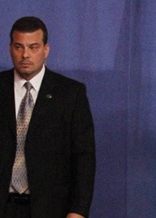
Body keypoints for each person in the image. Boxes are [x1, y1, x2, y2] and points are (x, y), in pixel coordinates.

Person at [0, 16, 95, 218]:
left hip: (50, 209)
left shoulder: (70, 94)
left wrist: (78, 211)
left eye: (33, 47)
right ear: (10, 49)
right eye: (19, 47)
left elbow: (84, 158)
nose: (25, 54)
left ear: (46, 50)